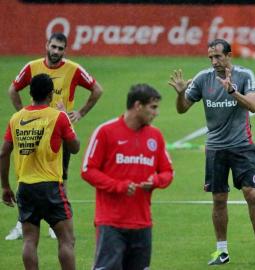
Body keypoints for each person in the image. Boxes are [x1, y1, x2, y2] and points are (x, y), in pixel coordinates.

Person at [169, 39, 255, 267]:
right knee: (218, 199)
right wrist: (179, 94)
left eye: (217, 56)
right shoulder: (202, 78)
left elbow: (254, 106)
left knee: (252, 195)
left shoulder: (245, 75)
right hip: (215, 148)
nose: (214, 61)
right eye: (210, 57)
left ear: (229, 55)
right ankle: (222, 251)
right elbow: (182, 109)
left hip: (242, 146)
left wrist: (233, 91)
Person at [6, 32, 103, 240]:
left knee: (61, 176)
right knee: (25, 174)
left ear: (64, 50)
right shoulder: (31, 67)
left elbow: (97, 89)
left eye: (60, 48)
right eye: (53, 47)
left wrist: (80, 112)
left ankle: (55, 223)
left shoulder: (73, 69)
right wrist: (22, 112)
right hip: (33, 131)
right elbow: (12, 89)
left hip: (59, 131)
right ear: (46, 45)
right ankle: (21, 224)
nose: (56, 51)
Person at [81, 83, 174, 270]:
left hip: (142, 223)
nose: (156, 113)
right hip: (111, 222)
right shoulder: (106, 131)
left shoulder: (155, 136)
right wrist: (118, 186)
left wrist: (155, 181)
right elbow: (87, 170)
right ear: (138, 106)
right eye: (153, 107)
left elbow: (167, 172)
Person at [0, 73, 80, 270]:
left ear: (30, 93)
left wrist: (5, 187)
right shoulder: (57, 117)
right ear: (51, 95)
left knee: (29, 241)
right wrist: (66, 119)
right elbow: (75, 147)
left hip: (25, 187)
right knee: (66, 239)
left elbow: (3, 152)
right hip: (51, 187)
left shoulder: (16, 118)